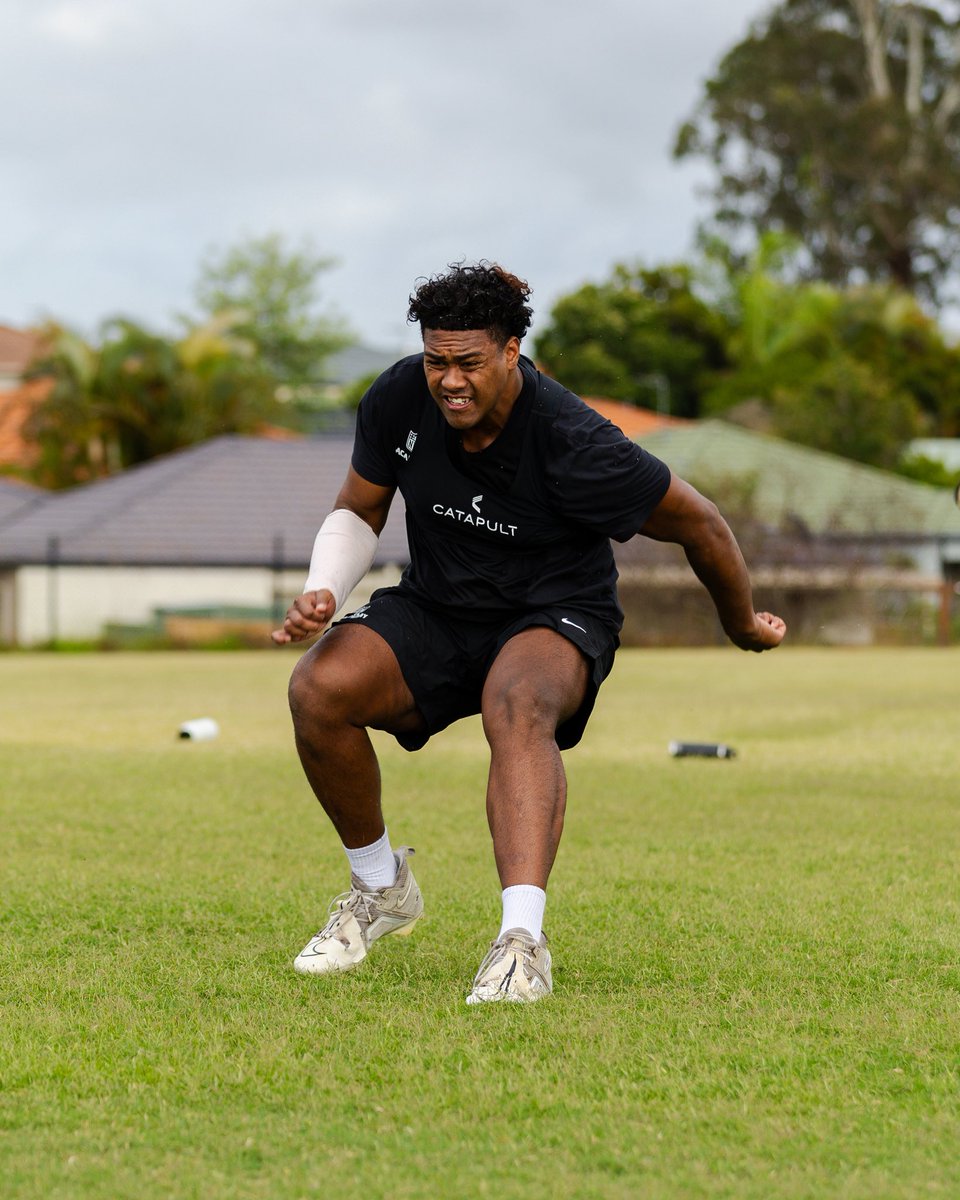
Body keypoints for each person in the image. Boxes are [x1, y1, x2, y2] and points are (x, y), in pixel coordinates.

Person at [272, 262, 786, 1004]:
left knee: (515, 702)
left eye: (469, 363)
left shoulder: (576, 441)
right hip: (440, 606)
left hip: (554, 612)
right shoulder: (397, 398)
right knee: (319, 688)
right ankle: (381, 889)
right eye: (436, 360)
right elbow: (359, 508)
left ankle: (521, 942)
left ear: (512, 352)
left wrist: (741, 623)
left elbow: (700, 523)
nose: (449, 380)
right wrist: (325, 587)